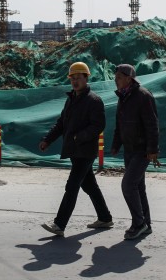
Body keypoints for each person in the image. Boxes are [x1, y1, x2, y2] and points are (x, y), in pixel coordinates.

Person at [39, 62, 113, 237]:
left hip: (85, 151)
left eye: (78, 78)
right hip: (75, 150)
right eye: (72, 78)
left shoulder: (93, 100)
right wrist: (47, 140)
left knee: (71, 186)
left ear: (86, 78)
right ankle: (105, 217)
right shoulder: (71, 99)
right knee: (89, 186)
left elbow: (98, 125)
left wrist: (79, 137)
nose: (74, 81)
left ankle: (59, 224)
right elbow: (61, 123)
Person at [111, 63, 160, 240]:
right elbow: (119, 124)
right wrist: (116, 144)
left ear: (129, 78)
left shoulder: (142, 96)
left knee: (127, 185)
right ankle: (146, 224)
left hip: (142, 150)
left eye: (119, 78)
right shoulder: (123, 97)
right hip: (129, 150)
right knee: (139, 187)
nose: (116, 81)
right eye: (115, 78)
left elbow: (152, 124)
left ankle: (138, 224)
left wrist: (153, 149)